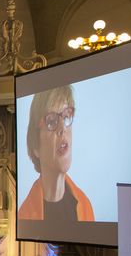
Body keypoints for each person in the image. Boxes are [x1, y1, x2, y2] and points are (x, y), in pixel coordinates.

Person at [18, 85, 95, 222]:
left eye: (66, 116)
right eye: (52, 121)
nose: (62, 128)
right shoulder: (25, 216)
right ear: (36, 146)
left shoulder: (85, 205)